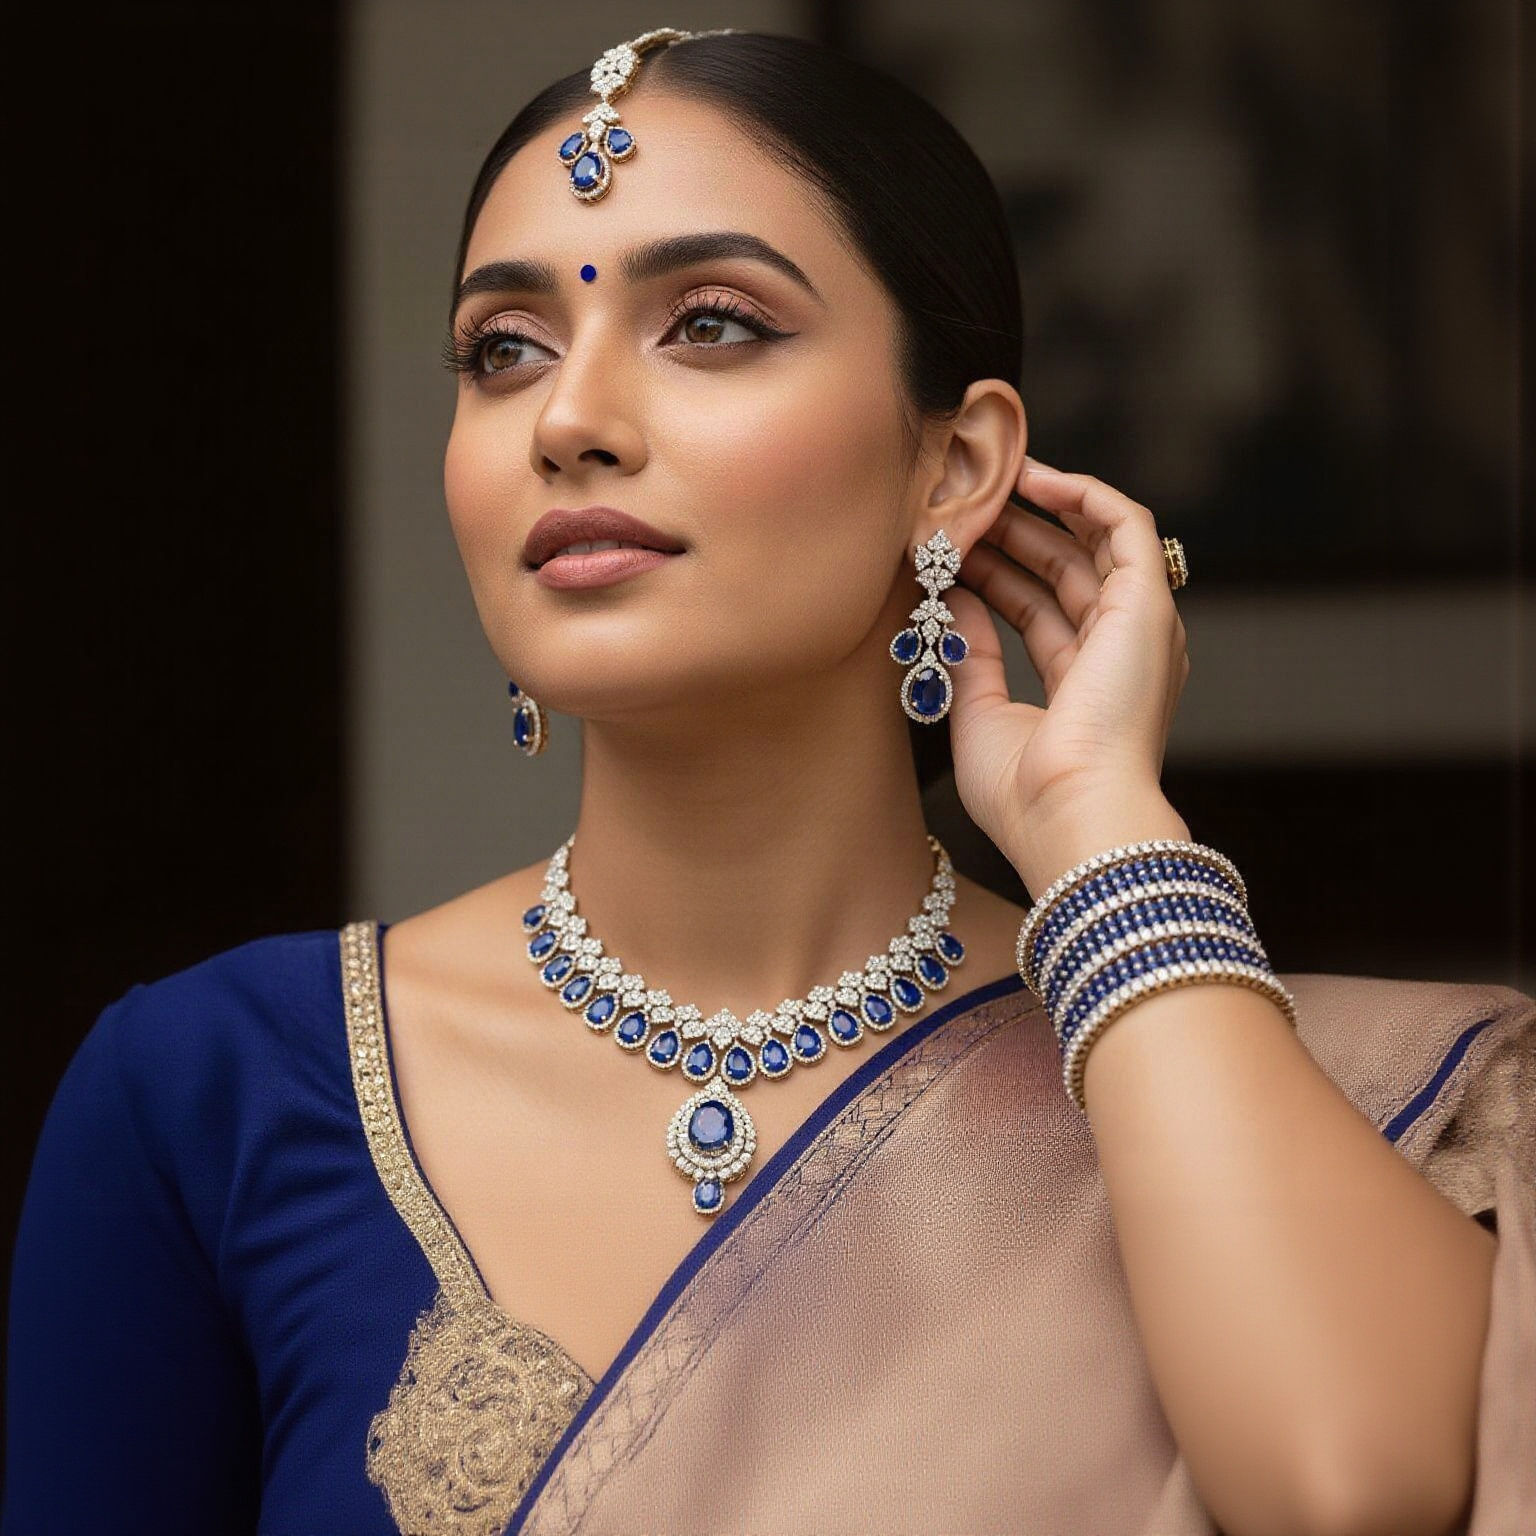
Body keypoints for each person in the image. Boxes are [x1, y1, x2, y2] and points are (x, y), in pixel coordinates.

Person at [5, 26, 1531, 1536]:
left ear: (954, 466)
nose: (570, 421)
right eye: (502, 349)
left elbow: (1350, 1491)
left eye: (714, 324)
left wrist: (1105, 836)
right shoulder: (213, 1096)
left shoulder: (1344, 1098)